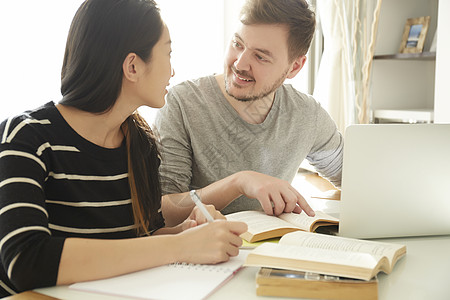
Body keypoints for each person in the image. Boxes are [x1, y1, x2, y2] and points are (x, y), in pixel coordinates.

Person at [0, 0, 252, 296]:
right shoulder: (26, 136)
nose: (173, 71)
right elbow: (26, 261)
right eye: (168, 53)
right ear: (132, 66)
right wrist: (178, 245)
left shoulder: (140, 143)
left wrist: (185, 233)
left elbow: (144, 236)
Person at [155, 0, 343, 222]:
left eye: (260, 56)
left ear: (294, 67)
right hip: (204, 252)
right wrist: (239, 183)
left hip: (275, 250)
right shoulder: (182, 103)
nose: (240, 64)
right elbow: (165, 211)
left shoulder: (307, 114)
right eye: (237, 44)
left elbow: (355, 178)